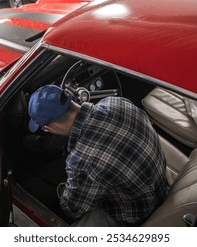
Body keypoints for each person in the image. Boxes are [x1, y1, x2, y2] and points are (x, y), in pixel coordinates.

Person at [28, 84, 168, 226]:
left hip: (137, 214)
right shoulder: (115, 102)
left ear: (49, 127)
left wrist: (63, 189)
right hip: (160, 186)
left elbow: (72, 209)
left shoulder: (81, 161)